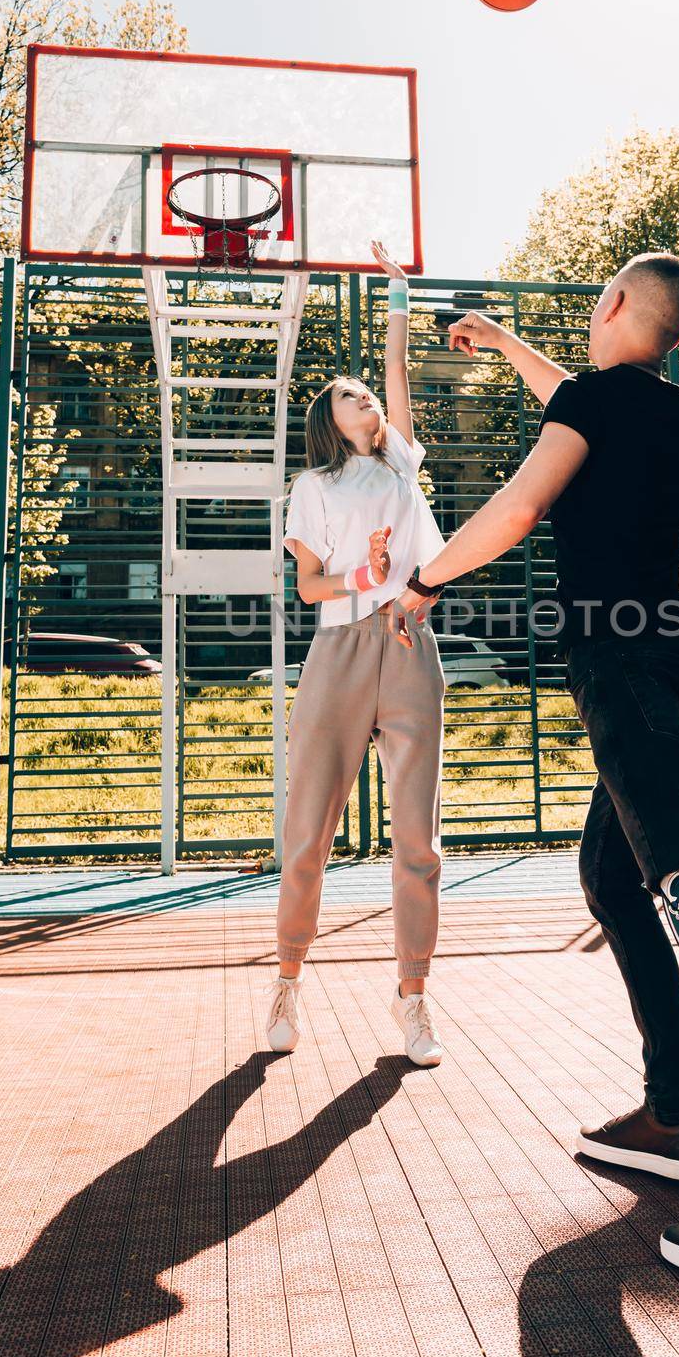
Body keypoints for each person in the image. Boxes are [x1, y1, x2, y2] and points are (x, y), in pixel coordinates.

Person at [396, 252, 679, 1268]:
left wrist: (423, 580)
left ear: (608, 306)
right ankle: (674, 1119)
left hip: (623, 661)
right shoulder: (665, 409)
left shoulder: (596, 405)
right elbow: (578, 399)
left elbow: (518, 508)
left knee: (673, 878)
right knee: (613, 874)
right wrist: (508, 343)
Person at [266, 241, 445, 1067]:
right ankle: (289, 981)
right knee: (309, 834)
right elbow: (308, 590)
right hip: (339, 651)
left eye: (366, 392)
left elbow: (397, 363)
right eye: (348, 396)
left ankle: (414, 1001)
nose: (365, 397)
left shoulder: (402, 460)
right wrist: (364, 572)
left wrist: (400, 293)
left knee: (419, 842)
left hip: (410, 647)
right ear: (328, 421)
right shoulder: (315, 488)